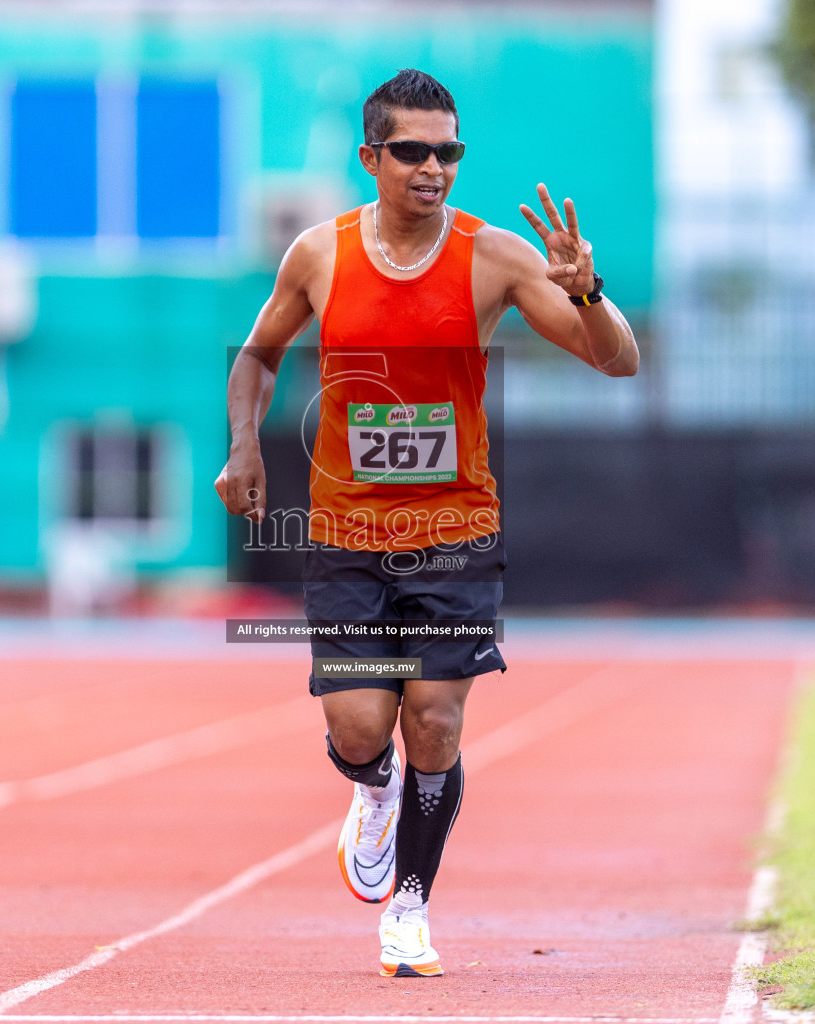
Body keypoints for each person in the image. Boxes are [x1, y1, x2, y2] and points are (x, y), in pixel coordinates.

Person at [215, 69, 637, 978]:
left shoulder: (494, 259)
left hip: (456, 531)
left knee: (435, 721)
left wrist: (589, 289)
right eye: (412, 151)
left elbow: (619, 363)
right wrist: (244, 449)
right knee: (366, 726)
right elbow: (257, 358)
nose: (434, 167)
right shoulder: (320, 255)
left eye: (449, 152)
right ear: (371, 157)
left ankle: (409, 906)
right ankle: (373, 787)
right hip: (348, 537)